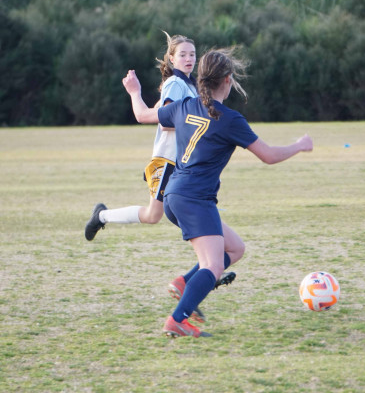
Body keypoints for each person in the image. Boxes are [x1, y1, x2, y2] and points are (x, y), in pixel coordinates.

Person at [122, 47, 313, 338]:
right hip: (195, 199)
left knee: (234, 248)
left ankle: (185, 284)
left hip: (175, 196)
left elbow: (142, 115)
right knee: (212, 265)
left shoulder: (184, 105)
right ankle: (178, 320)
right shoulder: (230, 118)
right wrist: (300, 144)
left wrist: (134, 91)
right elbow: (269, 155)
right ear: (227, 79)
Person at [85, 32, 237, 322]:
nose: (189, 58)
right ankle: (102, 217)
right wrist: (138, 95)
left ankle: (194, 280)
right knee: (156, 215)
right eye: (183, 54)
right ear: (171, 58)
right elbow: (160, 118)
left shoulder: (192, 85)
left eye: (193, 54)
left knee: (167, 217)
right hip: (167, 162)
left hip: (182, 165)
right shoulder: (176, 84)